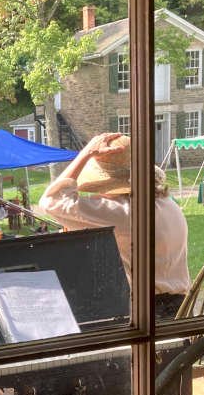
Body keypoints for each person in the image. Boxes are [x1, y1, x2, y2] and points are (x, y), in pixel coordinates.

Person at [37, 132, 190, 321]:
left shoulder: (122, 211)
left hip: (146, 318)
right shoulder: (167, 203)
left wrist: (85, 153)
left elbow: (51, 201)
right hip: (181, 311)